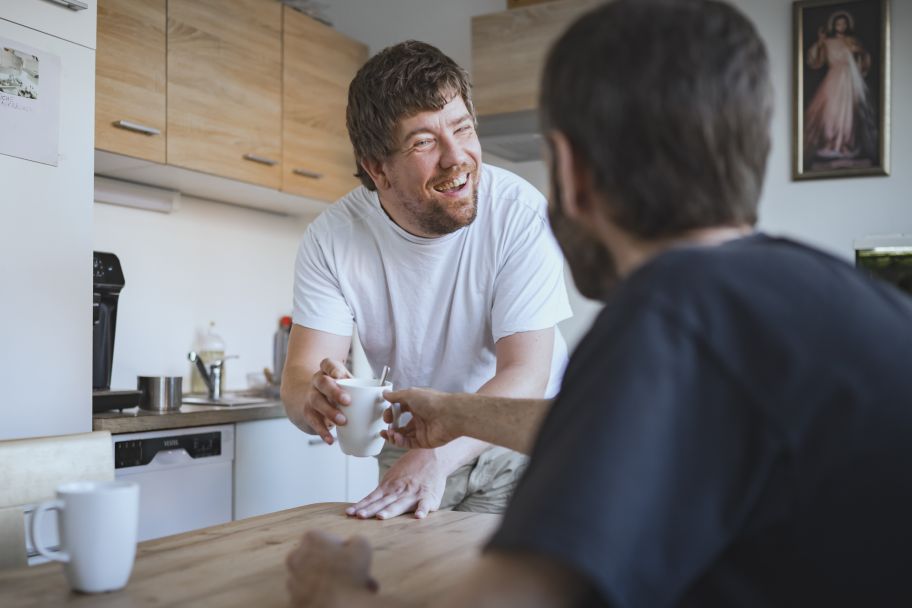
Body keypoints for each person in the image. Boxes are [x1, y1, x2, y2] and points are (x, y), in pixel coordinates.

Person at [284, 0, 912, 606]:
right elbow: (601, 424)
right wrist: (452, 411)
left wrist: (334, 596)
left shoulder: (660, 326)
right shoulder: (872, 309)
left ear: (568, 169)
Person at [280, 40, 572, 520]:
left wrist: (436, 458)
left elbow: (526, 373)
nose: (457, 158)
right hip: (412, 444)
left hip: (515, 444)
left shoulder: (519, 214)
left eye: (462, 128)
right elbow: (300, 375)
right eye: (423, 142)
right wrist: (313, 399)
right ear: (377, 169)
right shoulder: (331, 238)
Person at [804, 10, 877, 167]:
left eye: (843, 23)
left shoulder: (853, 41)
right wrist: (820, 42)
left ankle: (845, 145)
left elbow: (863, 62)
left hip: (850, 80)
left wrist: (859, 53)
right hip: (833, 78)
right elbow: (815, 61)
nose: (841, 26)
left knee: (849, 114)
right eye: (838, 23)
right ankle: (830, 144)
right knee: (830, 113)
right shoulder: (827, 42)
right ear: (834, 25)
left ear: (847, 25)